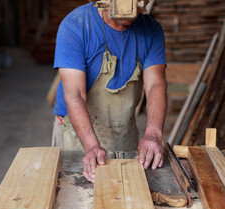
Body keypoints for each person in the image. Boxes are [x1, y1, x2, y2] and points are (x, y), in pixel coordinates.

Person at [52, 1, 167, 182]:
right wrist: (91, 147)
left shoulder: (151, 30)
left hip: (124, 131)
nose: (128, 18)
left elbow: (155, 85)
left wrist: (153, 134)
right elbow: (75, 94)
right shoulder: (75, 25)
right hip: (77, 135)